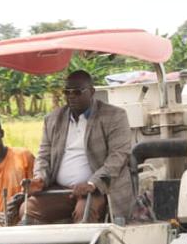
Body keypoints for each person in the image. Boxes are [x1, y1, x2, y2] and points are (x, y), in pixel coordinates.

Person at [24, 70, 134, 224]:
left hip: (98, 190)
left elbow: (118, 157)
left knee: (85, 212)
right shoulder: (53, 119)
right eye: (67, 92)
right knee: (26, 209)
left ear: (92, 92)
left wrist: (91, 184)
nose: (71, 96)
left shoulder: (114, 116)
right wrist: (39, 178)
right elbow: (44, 156)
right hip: (61, 189)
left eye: (77, 91)